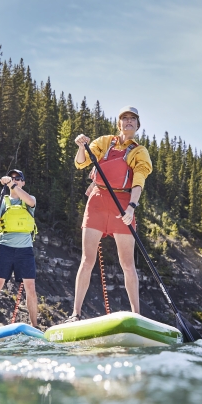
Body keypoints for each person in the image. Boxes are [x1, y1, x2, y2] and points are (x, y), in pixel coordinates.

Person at [68, 106, 152, 321]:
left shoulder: (139, 151)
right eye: (125, 118)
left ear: (138, 125)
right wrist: (81, 146)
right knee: (87, 260)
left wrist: (132, 207)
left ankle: (136, 316)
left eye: (133, 119)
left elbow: (138, 180)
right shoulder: (104, 142)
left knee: (127, 264)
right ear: (119, 123)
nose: (129, 122)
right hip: (97, 201)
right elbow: (81, 162)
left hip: (122, 203)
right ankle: (75, 313)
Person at [0, 169, 39, 327]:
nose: (15, 180)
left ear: (23, 182)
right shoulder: (2, 202)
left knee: (31, 288)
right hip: (5, 249)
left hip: (25, 250)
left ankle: (35, 326)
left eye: (18, 178)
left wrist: (11, 184)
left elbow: (30, 201)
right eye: (12, 178)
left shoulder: (29, 200)